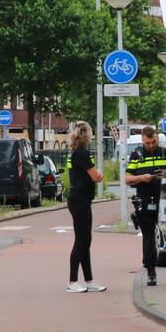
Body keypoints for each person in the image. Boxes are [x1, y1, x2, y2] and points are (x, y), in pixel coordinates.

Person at [125, 126, 166, 287]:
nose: (151, 145)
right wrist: (141, 178)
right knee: (149, 237)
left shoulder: (165, 153)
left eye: (153, 142)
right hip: (145, 199)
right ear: (143, 140)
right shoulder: (136, 155)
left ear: (157, 139)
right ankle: (151, 273)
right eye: (147, 143)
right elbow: (127, 178)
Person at [66, 121, 106, 293]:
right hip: (80, 200)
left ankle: (88, 280)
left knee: (85, 240)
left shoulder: (75, 152)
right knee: (81, 241)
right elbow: (95, 176)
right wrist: (100, 174)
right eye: (91, 133)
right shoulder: (82, 153)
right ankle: (72, 280)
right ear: (86, 135)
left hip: (80, 199)